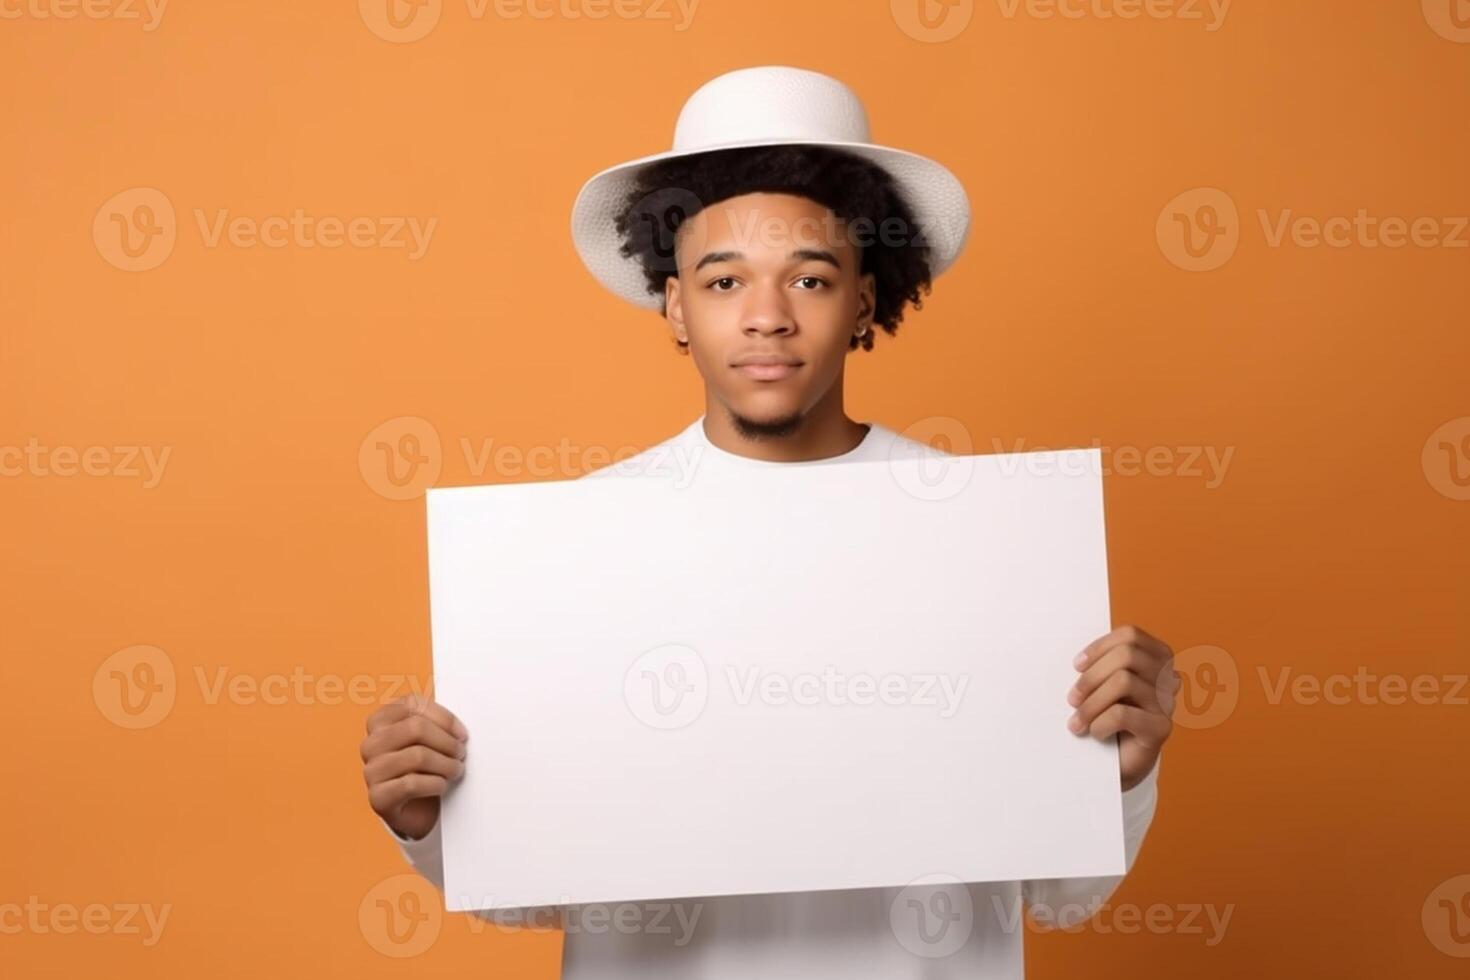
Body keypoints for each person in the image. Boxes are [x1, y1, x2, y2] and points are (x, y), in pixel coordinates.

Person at [359, 65, 1176, 979]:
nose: (766, 319)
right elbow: (532, 889)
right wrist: (428, 822)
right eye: (721, 281)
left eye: (812, 278)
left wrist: (1120, 774)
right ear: (672, 303)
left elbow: (1061, 895)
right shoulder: (580, 545)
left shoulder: (992, 537)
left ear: (866, 299)